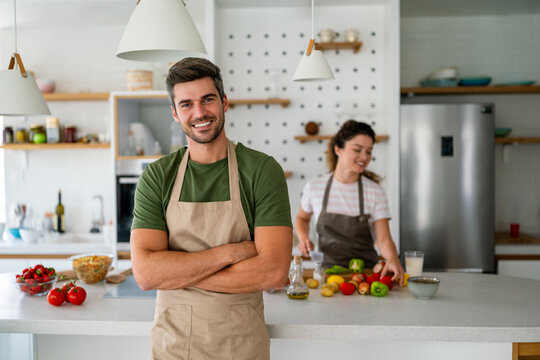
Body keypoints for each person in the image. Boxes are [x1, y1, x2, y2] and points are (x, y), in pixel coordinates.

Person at [130, 57, 293, 360]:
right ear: (175, 114)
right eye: (187, 104)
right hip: (173, 346)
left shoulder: (261, 170)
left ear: (225, 102)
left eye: (208, 100)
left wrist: (177, 272)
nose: (200, 112)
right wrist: (227, 254)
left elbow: (273, 273)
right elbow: (146, 274)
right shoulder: (157, 177)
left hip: (242, 345)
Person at [295, 120, 404, 285]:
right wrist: (303, 237)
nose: (364, 157)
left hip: (365, 277)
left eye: (369, 151)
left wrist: (393, 258)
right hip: (327, 275)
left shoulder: (375, 192)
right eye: (357, 150)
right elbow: (302, 218)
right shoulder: (315, 187)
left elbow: (383, 239)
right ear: (338, 149)